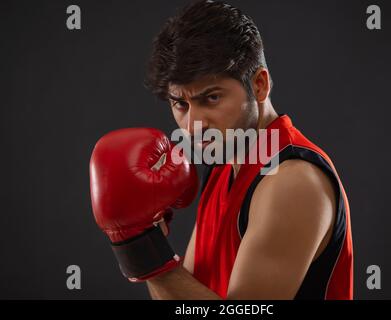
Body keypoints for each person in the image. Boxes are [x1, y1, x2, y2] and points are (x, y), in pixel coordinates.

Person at [90, 0, 353, 300]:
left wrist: (141, 247)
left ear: (259, 84)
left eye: (211, 98)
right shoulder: (223, 163)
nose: (193, 126)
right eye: (181, 104)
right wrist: (146, 239)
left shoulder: (292, 182)